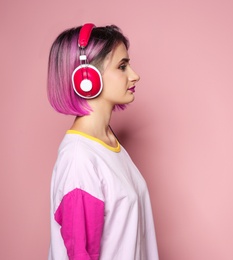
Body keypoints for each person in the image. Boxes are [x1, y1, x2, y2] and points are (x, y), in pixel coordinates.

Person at [47, 23, 159, 260]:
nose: (135, 75)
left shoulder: (107, 142)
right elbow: (80, 254)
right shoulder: (80, 158)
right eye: (122, 66)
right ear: (86, 78)